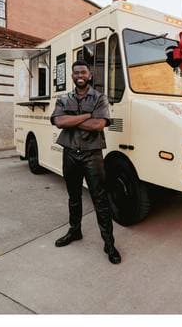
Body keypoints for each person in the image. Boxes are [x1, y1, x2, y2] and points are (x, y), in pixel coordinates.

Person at [50, 60, 121, 264]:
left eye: (83, 72)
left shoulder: (100, 98)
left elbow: (99, 125)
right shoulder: (64, 99)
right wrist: (87, 115)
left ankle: (109, 244)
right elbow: (59, 121)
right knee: (74, 196)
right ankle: (75, 232)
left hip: (92, 155)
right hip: (70, 153)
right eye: (76, 73)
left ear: (90, 75)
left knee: (100, 199)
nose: (79, 75)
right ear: (72, 76)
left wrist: (74, 119)